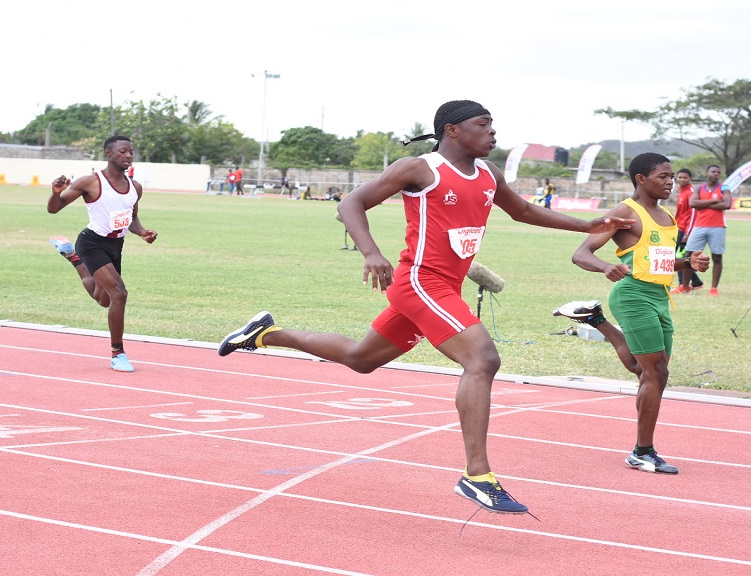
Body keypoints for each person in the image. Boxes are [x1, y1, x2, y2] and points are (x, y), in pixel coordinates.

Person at [216, 100, 633, 514]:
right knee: (483, 359)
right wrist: (370, 252)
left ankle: (265, 333)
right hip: (419, 282)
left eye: (492, 125)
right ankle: (478, 476)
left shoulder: (489, 173)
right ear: (453, 130)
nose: (493, 132)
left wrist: (589, 225)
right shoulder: (420, 168)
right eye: (483, 124)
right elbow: (350, 204)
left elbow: (522, 210)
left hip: (444, 287)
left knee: (361, 359)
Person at [554, 152, 710, 475]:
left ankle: (596, 320)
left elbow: (661, 262)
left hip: (659, 296)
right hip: (632, 294)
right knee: (657, 374)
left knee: (646, 371)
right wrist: (606, 266)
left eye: (672, 177)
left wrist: (688, 264)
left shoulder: (667, 217)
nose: (670, 182)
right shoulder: (626, 212)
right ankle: (642, 451)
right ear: (641, 179)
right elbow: (581, 253)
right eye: (663, 177)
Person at [47, 135, 158, 372]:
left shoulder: (135, 187)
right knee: (119, 293)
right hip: (92, 243)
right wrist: (56, 193)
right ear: (108, 153)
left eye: (131, 152)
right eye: (122, 152)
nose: (128, 155)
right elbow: (54, 209)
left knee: (103, 299)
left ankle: (72, 258)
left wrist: (142, 233)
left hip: (116, 246)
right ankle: (118, 353)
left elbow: (131, 218)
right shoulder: (90, 182)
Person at [683, 164, 730, 296]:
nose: (716, 174)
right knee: (689, 255)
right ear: (707, 173)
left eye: (718, 172)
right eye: (713, 171)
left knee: (717, 257)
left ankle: (714, 288)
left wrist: (703, 203)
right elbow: (693, 203)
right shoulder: (699, 188)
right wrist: (714, 202)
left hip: (718, 226)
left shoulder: (724, 188)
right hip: (699, 226)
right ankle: (685, 286)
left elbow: (727, 204)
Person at [668, 168, 704, 294]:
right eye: (680, 177)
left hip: (685, 230)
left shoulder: (691, 192)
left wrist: (688, 233)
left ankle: (684, 285)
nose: (682, 179)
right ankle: (695, 282)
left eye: (685, 177)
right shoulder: (681, 191)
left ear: (690, 179)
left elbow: (693, 214)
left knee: (679, 256)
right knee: (677, 256)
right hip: (679, 228)